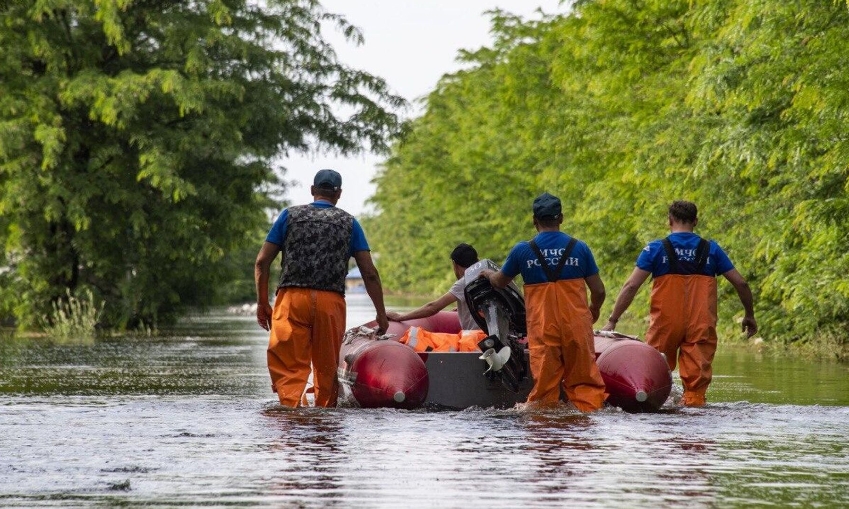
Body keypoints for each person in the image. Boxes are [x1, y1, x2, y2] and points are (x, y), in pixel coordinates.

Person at [601, 200, 757, 407]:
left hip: (664, 326)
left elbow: (631, 286)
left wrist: (613, 320)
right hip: (701, 325)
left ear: (669, 221)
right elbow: (741, 283)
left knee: (652, 377)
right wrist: (749, 314)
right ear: (696, 221)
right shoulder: (711, 250)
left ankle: (654, 411)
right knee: (695, 389)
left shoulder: (656, 249)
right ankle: (693, 415)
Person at [254, 169, 388, 408]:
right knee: (326, 369)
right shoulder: (350, 222)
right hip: (330, 301)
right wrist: (380, 313)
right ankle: (323, 424)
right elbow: (369, 273)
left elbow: (262, 262)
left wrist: (262, 302)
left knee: (288, 367)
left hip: (291, 299)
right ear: (338, 194)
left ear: (313, 190)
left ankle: (290, 415)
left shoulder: (289, 216)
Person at [480, 192, 608, 412]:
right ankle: (586, 429)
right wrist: (593, 311)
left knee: (544, 393)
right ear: (561, 218)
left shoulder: (522, 250)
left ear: (534, 220)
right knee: (585, 384)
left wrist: (487, 274)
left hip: (543, 327)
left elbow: (500, 282)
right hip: (576, 325)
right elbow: (598, 290)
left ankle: (545, 434)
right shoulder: (580, 248)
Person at [386, 243, 517, 330]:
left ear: (455, 264)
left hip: (476, 339)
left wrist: (400, 316)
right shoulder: (493, 274)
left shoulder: (464, 282)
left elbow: (432, 307)